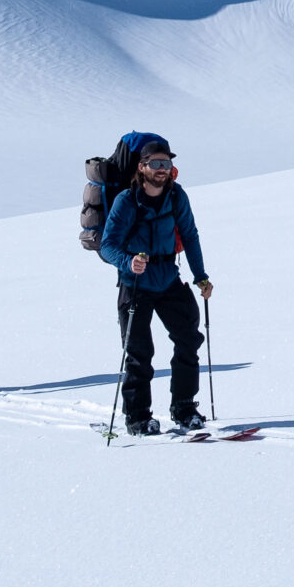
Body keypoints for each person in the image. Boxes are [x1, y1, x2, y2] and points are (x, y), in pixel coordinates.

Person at [97, 132, 213, 434]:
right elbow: (108, 244)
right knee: (139, 353)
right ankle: (138, 418)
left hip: (168, 280)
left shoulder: (177, 195)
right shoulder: (126, 200)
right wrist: (128, 262)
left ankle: (184, 408)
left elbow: (190, 235)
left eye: (166, 162)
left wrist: (200, 276)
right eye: (155, 163)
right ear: (141, 167)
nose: (162, 168)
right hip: (134, 285)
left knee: (188, 340)